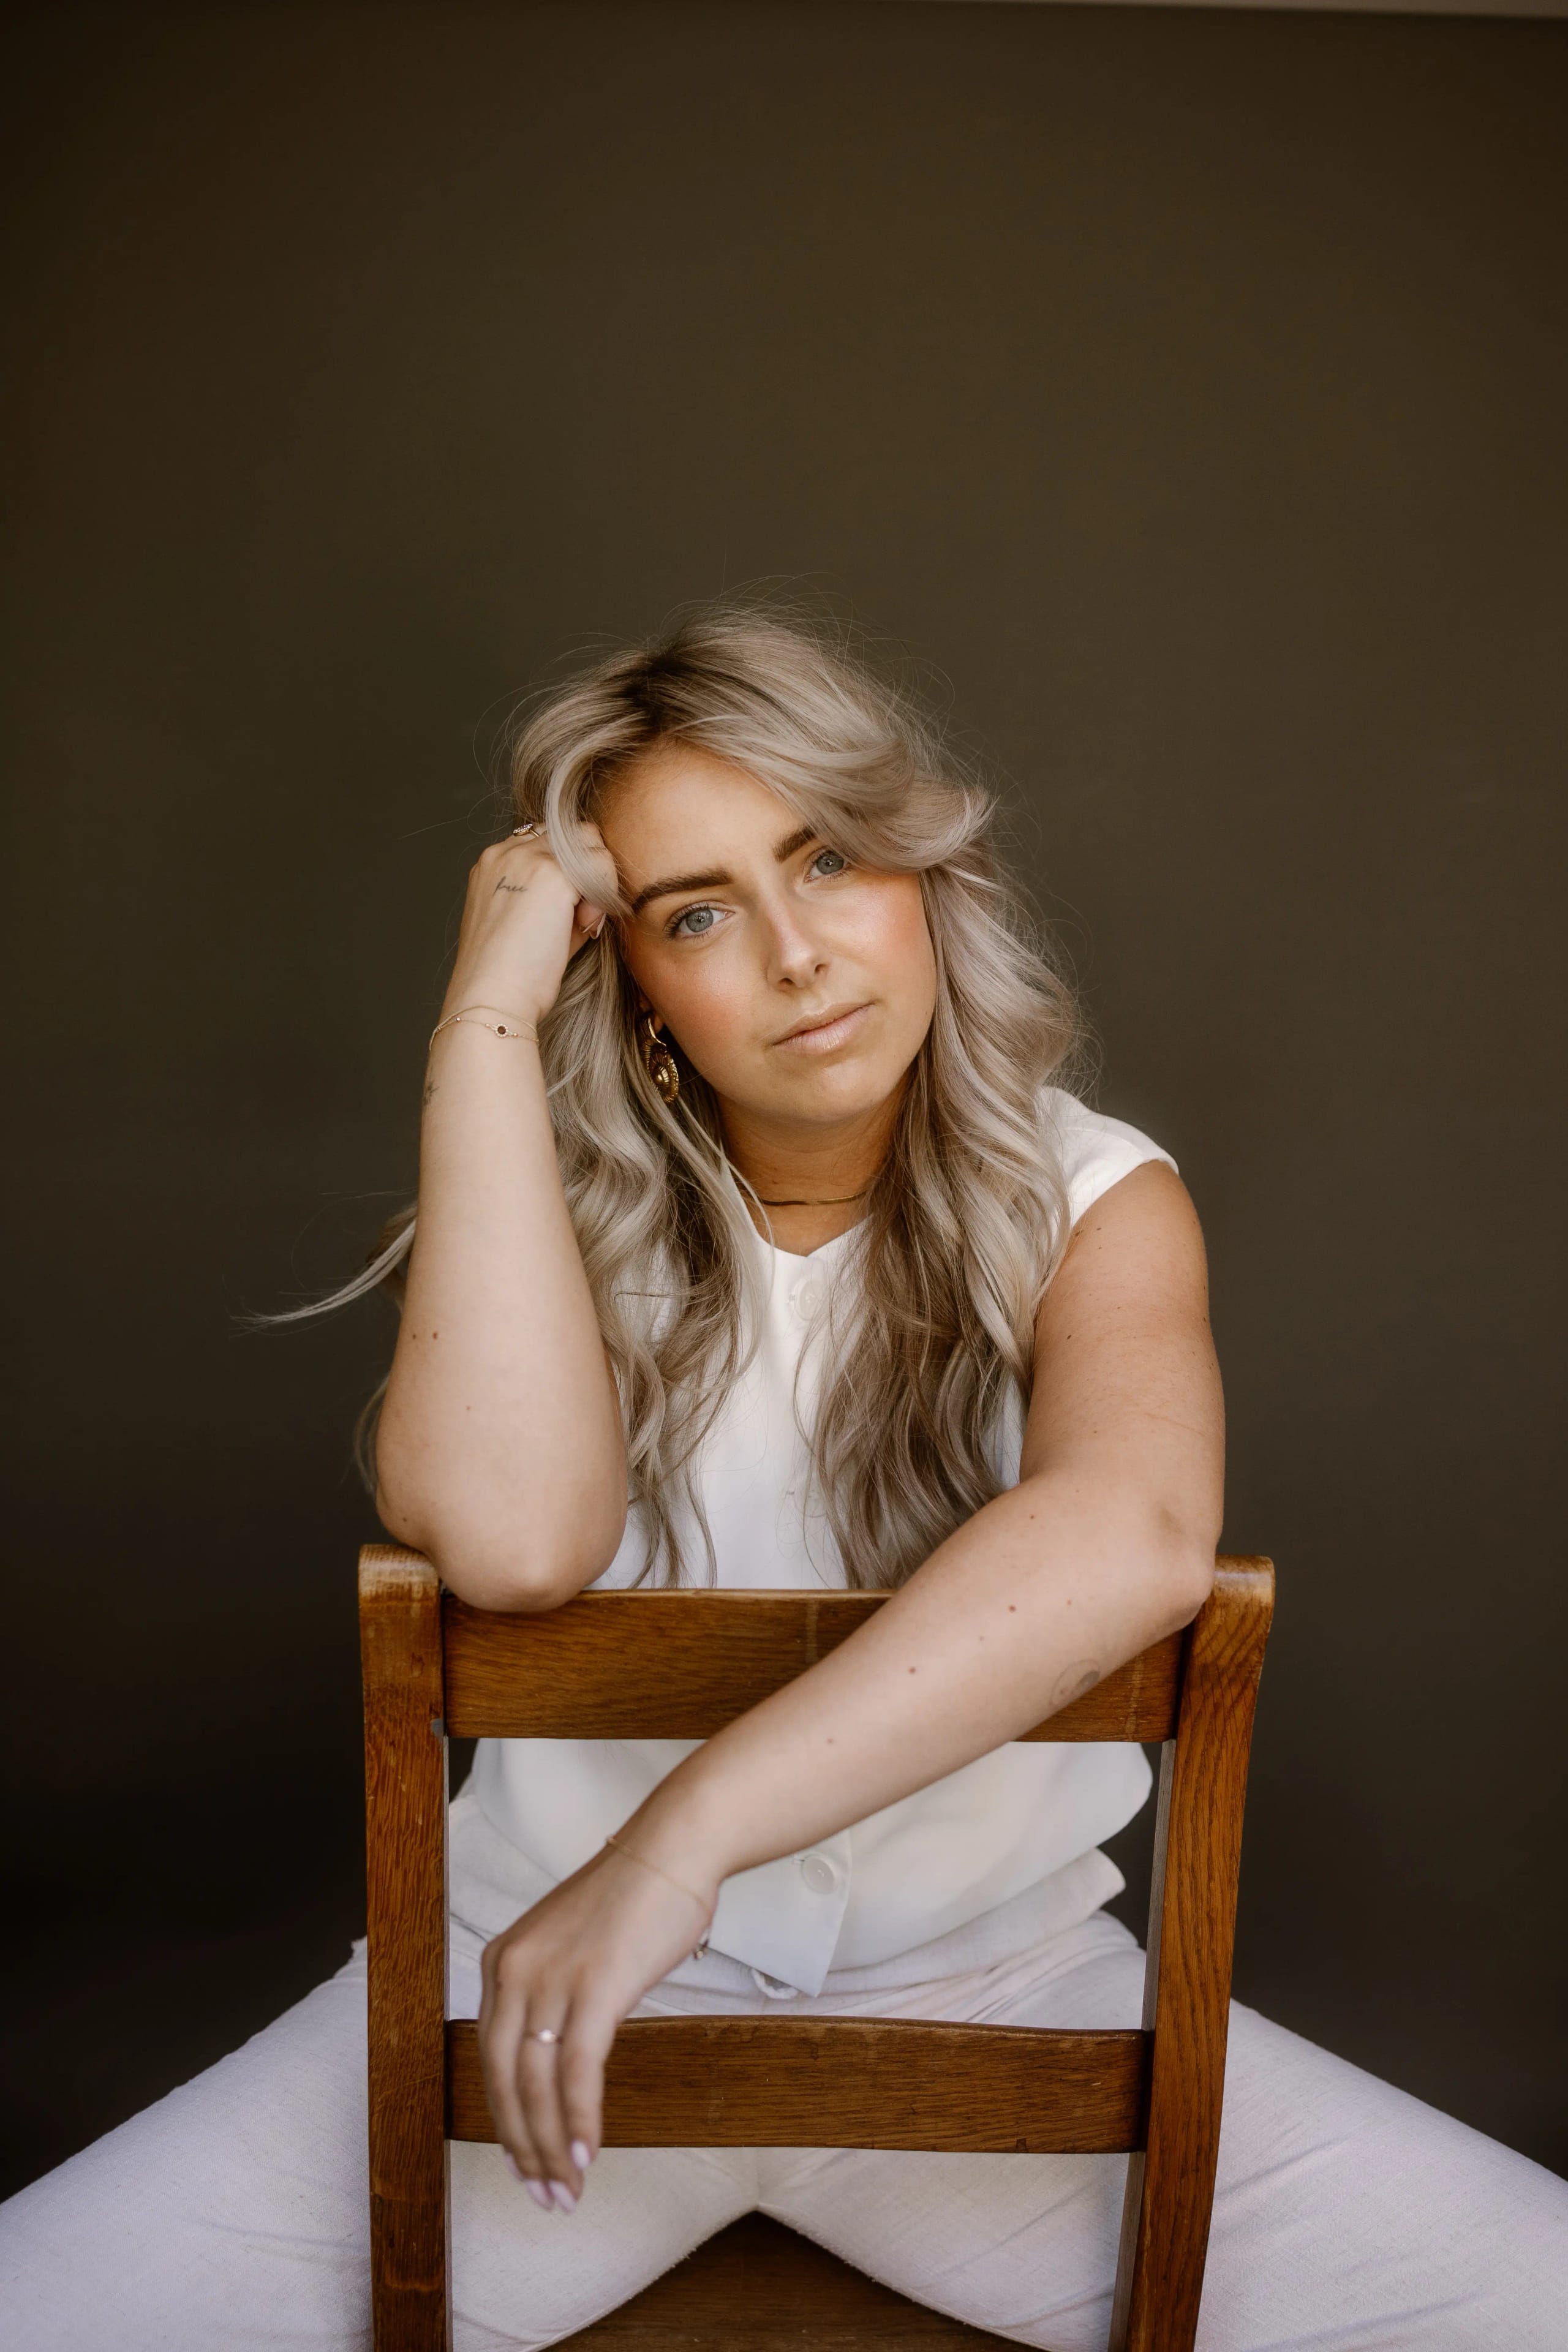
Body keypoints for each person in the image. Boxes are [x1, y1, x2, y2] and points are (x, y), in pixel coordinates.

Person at [2, 606, 1564, 2350]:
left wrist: (679, 1850)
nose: (797, 952)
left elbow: (1133, 1532)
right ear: (634, 982)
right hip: (532, 2014)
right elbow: (515, 1546)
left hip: (1004, 2015)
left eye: (826, 860)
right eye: (696, 912)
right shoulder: (550, 1229)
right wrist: (488, 1018)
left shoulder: (1099, 1199)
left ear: (923, 878)